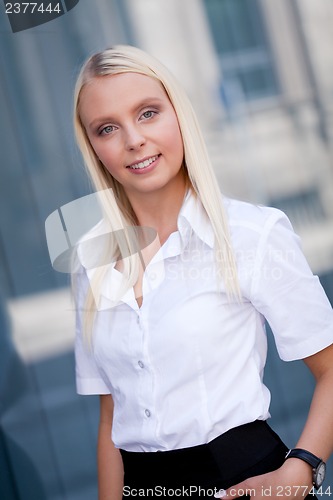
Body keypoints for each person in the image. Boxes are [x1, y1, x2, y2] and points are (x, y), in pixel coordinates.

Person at [72, 45, 333, 500]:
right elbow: (111, 418)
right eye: (107, 128)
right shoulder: (89, 258)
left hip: (244, 482)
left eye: (148, 113)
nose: (133, 139)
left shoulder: (253, 234)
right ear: (93, 147)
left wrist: (303, 468)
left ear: (178, 115)